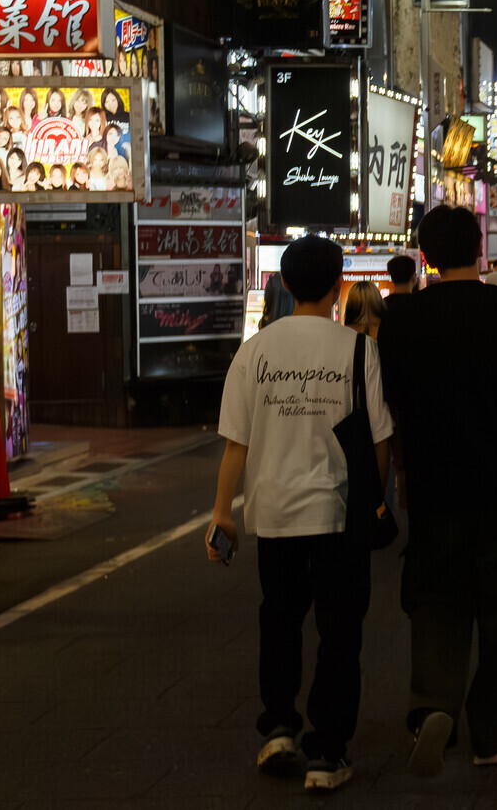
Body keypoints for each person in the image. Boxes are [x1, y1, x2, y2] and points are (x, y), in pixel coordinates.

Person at [376, 205, 497, 777]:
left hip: (436, 486)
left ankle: (434, 702)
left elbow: (394, 408)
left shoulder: (403, 320)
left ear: (425, 255)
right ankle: (490, 733)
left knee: (437, 597)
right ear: (479, 252)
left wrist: (404, 476)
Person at [206, 235, 394, 793]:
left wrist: (223, 514)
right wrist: (375, 495)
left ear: (284, 284)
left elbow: (235, 443)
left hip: (275, 512)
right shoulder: (359, 351)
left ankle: (280, 727)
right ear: (339, 284)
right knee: (340, 632)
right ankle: (327, 752)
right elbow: (379, 440)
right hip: (339, 512)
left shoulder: (255, 352)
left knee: (280, 619)